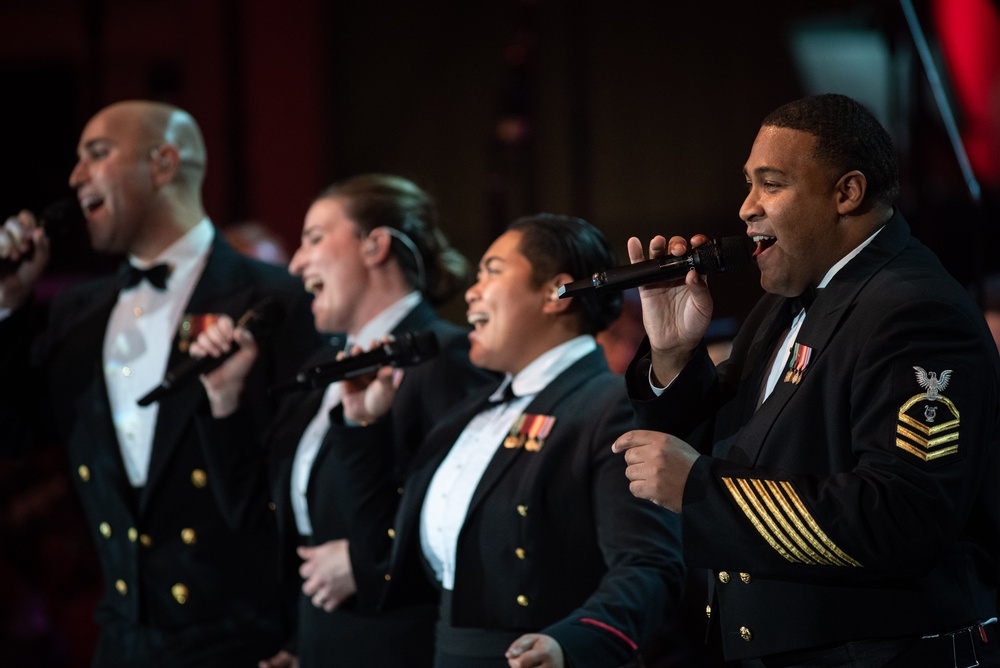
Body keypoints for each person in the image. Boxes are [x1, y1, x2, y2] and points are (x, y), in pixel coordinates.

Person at [613, 93, 1000, 667]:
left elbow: (901, 518)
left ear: (847, 193)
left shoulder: (914, 310)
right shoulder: (788, 301)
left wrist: (701, 491)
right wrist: (672, 354)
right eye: (748, 183)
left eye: (771, 184)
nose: (746, 207)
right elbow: (734, 448)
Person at [0, 100, 320, 667]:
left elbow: (309, 485)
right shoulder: (76, 313)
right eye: (76, 161)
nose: (76, 177)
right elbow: (14, 433)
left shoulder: (278, 300)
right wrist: (7, 305)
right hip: (123, 640)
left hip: (246, 642)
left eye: (97, 154)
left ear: (165, 163)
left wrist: (304, 639)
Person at [326, 213, 685, 667]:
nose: (472, 292)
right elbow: (385, 556)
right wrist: (364, 428)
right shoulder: (470, 412)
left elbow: (650, 566)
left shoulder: (610, 405)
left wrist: (573, 644)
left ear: (555, 293)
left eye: (492, 271)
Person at [191, 173, 497, 667]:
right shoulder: (319, 373)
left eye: (314, 238)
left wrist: (366, 563)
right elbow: (258, 518)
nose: (295, 263)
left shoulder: (446, 356)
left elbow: (473, 515)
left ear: (375, 245)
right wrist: (224, 396)